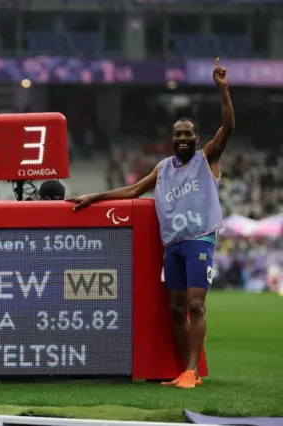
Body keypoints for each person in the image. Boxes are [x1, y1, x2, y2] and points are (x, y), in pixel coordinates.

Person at [66, 58, 234, 389]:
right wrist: (95, 197)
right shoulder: (163, 168)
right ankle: (185, 370)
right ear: (172, 139)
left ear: (197, 138)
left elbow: (228, 127)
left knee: (196, 304)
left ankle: (191, 372)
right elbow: (132, 190)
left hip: (200, 239)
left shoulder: (207, 158)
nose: (183, 137)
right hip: (172, 244)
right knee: (175, 308)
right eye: (178, 134)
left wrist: (223, 89)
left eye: (188, 133)